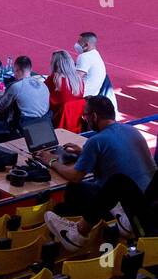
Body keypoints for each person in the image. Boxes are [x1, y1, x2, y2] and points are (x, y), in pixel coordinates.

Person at [42, 97, 157, 252]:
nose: (85, 120)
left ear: (94, 116)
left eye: (85, 116)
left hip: (136, 211)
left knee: (74, 189)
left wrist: (52, 162)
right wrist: (84, 153)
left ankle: (77, 232)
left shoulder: (96, 140)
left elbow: (76, 176)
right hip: (147, 198)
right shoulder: (132, 131)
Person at [0, 55, 50, 139]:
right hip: (41, 128)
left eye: (14, 71)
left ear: (18, 70)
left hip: (19, 130)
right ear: (30, 69)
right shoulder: (43, 85)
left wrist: (3, 95)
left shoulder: (16, 86)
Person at [48, 49, 88, 133]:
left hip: (58, 119)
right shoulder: (79, 80)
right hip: (75, 121)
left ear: (55, 65)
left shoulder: (55, 79)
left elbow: (47, 97)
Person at [73, 32, 109, 99]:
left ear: (86, 45)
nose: (76, 44)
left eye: (79, 42)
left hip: (82, 95)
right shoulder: (96, 54)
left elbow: (75, 79)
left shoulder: (84, 57)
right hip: (93, 94)